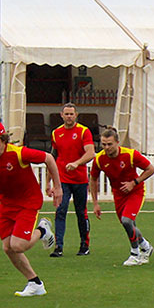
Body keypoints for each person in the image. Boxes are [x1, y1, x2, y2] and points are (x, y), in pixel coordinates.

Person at [0, 120, 62, 297]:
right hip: (7, 203)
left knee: (18, 245)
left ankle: (42, 230)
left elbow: (49, 158)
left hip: (28, 201)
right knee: (7, 248)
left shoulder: (19, 153)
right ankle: (35, 282)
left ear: (3, 140)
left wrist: (58, 187)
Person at [90, 127, 154, 266]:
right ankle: (145, 246)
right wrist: (95, 203)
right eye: (103, 144)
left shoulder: (131, 155)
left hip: (135, 192)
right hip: (118, 195)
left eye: (109, 144)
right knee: (128, 224)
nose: (106, 147)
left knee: (127, 221)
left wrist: (134, 182)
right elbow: (93, 179)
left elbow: (150, 169)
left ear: (117, 143)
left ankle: (135, 253)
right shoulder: (99, 159)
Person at [50, 103, 95, 257]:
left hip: (80, 179)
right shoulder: (56, 133)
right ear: (61, 115)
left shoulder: (83, 132)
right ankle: (58, 247)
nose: (69, 117)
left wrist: (76, 163)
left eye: (71, 114)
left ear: (76, 115)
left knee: (81, 212)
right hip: (62, 179)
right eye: (66, 114)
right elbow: (53, 157)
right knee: (60, 210)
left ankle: (84, 245)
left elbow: (91, 153)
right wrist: (51, 182)